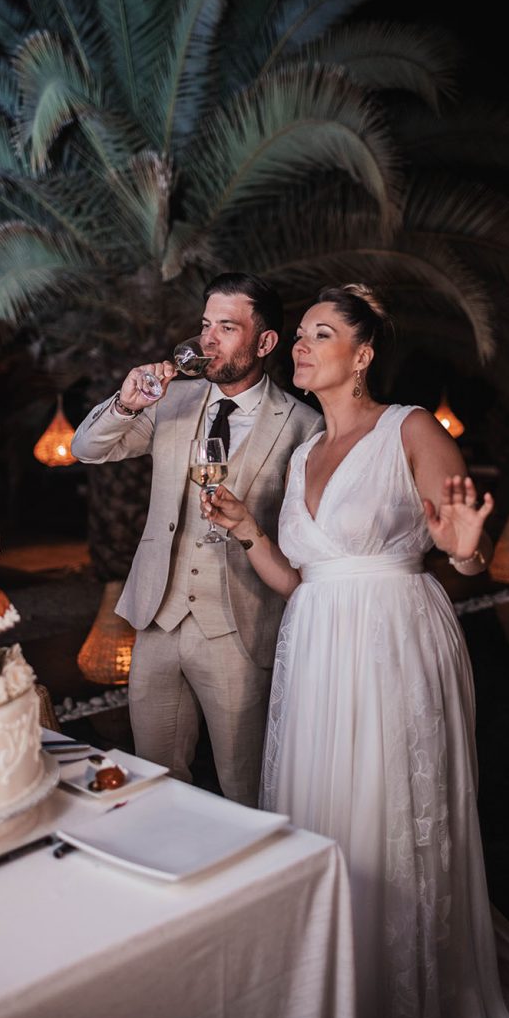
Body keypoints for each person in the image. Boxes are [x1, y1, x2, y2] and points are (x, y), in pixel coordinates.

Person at [203, 283, 509, 1018]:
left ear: (363, 353)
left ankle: (403, 987)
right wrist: (249, 529)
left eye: (319, 334)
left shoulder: (410, 429)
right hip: (312, 648)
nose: (300, 346)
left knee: (390, 811)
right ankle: (327, 984)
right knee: (322, 810)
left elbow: (457, 542)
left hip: (391, 641)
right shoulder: (307, 449)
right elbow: (295, 579)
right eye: (299, 335)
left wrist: (468, 555)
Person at [71, 273, 323, 806]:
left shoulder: (304, 425)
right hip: (158, 617)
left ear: (265, 342)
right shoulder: (171, 402)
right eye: (205, 325)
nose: (207, 339)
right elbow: (87, 450)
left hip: (239, 625)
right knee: (155, 781)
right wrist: (125, 403)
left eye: (226, 328)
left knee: (246, 787)